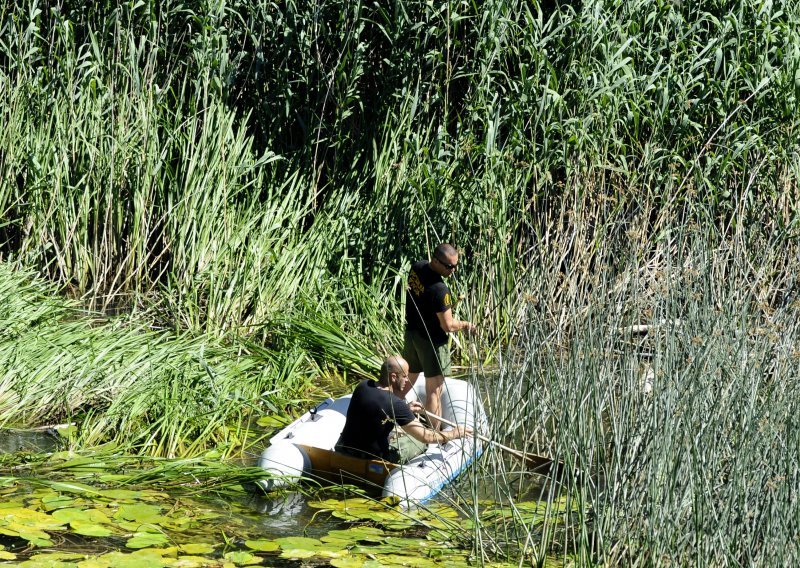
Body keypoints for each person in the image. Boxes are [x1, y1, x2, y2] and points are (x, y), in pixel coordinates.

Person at [335, 355, 471, 463]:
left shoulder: (363, 386)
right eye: (405, 376)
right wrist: (454, 433)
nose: (408, 380)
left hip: (343, 449)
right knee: (417, 441)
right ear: (393, 377)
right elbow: (426, 436)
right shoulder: (395, 403)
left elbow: (375, 412)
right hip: (372, 460)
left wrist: (407, 408)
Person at [399, 244, 476, 428]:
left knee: (410, 377)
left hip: (412, 335)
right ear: (435, 261)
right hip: (431, 342)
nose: (453, 270)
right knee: (434, 391)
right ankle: (434, 435)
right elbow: (448, 325)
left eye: (455, 265)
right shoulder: (441, 290)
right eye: (449, 266)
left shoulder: (417, 267)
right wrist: (466, 325)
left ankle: (388, 409)